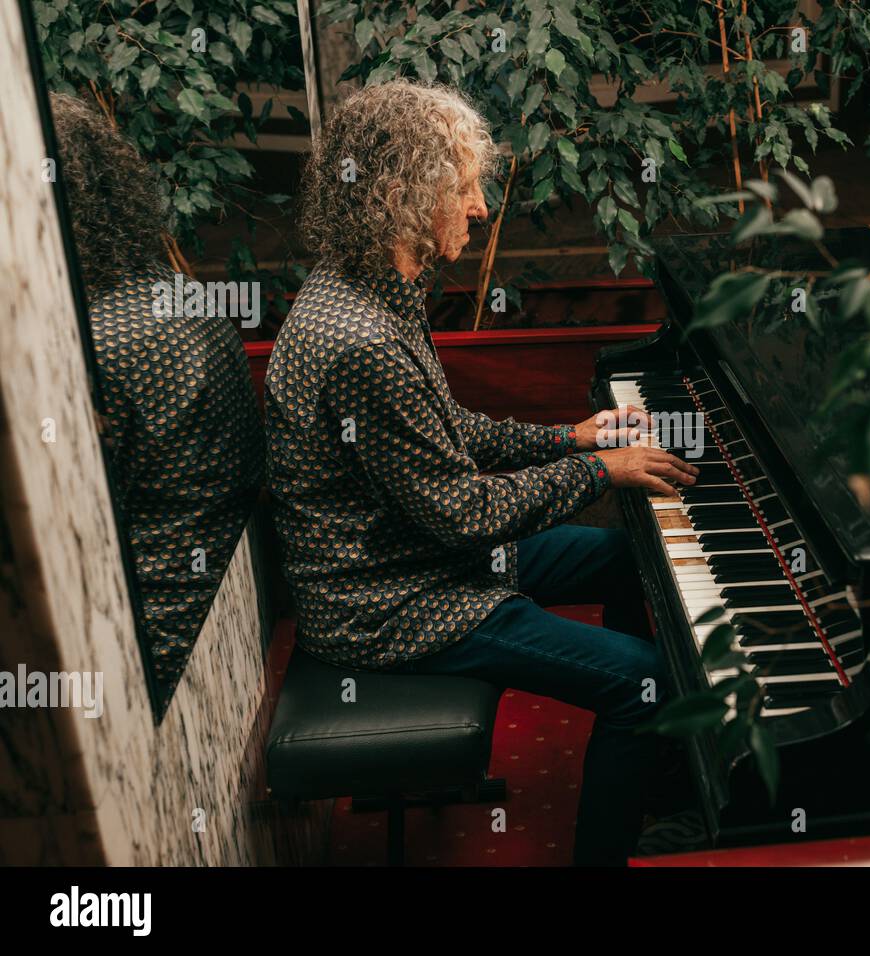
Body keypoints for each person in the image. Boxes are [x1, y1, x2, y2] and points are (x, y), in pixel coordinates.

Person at [265, 79, 699, 865]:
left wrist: (565, 438)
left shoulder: (365, 286)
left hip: (413, 556)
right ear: (405, 196)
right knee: (647, 683)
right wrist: (601, 472)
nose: (477, 206)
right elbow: (463, 513)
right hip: (391, 600)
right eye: (463, 187)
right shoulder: (362, 339)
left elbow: (444, 435)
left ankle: (653, 776)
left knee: (636, 558)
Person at [49, 92, 263, 706]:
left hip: (153, 643)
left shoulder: (95, 343)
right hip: (224, 602)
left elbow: (65, 532)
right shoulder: (167, 289)